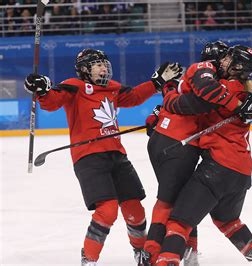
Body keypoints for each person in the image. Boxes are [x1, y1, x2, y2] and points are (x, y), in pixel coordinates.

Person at [23, 48, 182, 265]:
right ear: (84, 70)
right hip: (89, 158)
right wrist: (41, 90)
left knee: (135, 210)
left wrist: (157, 82)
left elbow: (134, 96)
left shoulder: (112, 88)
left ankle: (141, 253)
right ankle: (89, 260)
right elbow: (52, 102)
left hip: (117, 156)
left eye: (104, 63)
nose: (104, 67)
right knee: (107, 212)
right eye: (98, 64)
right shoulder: (75, 86)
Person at [154, 45, 252, 266]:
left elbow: (197, 93)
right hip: (242, 172)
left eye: (229, 57)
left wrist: (167, 90)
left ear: (237, 66)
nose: (223, 59)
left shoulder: (220, 85)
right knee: (227, 220)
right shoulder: (247, 92)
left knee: (178, 222)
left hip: (218, 168)